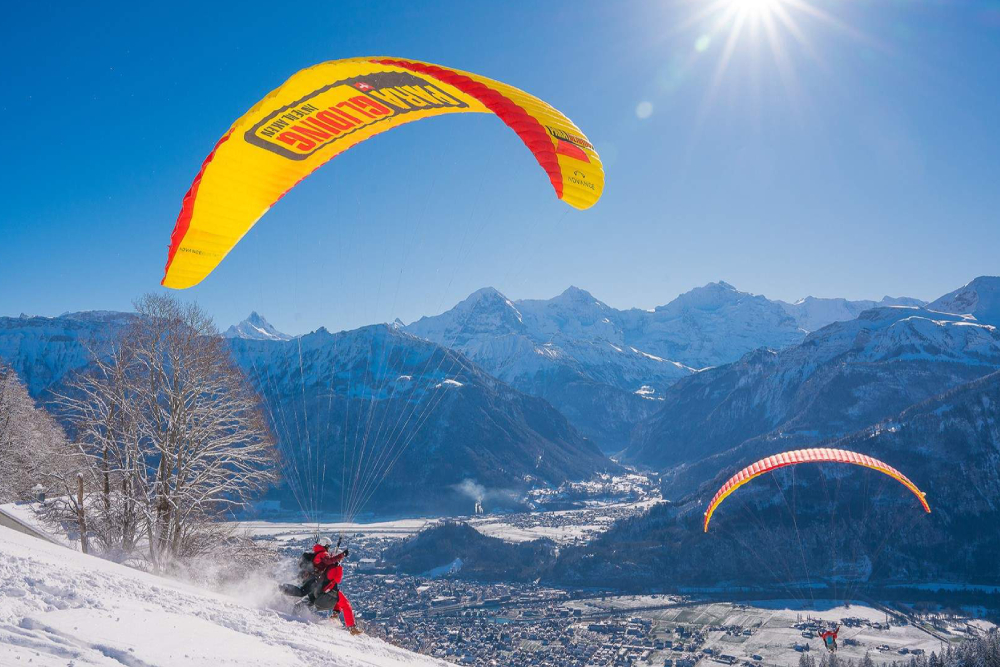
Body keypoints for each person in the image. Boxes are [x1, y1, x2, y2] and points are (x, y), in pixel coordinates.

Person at [281, 537, 362, 635]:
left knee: (305, 596)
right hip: (322, 587)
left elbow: (327, 562)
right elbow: (336, 578)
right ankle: (351, 627)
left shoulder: (319, 555)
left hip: (317, 585)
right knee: (345, 603)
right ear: (325, 545)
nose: (328, 549)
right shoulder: (324, 556)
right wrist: (341, 556)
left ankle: (285, 596)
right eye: (328, 546)